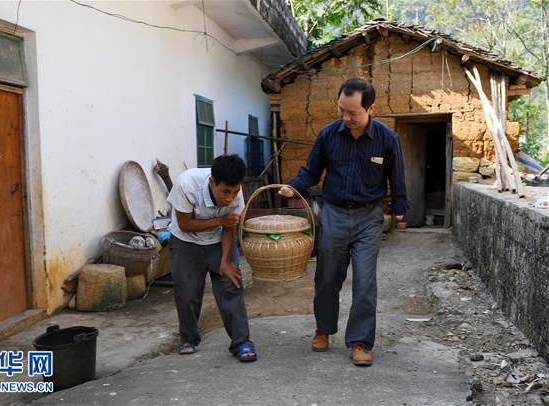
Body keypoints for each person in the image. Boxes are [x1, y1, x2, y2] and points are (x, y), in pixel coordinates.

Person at [279, 78, 408, 366]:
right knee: (326, 278)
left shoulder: (387, 139)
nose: (346, 118)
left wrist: (400, 208)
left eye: (353, 113)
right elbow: (311, 171)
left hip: (368, 218)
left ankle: (360, 341)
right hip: (333, 215)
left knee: (364, 282)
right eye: (341, 111)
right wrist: (294, 187)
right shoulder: (328, 135)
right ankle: (323, 329)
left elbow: (397, 177)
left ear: (370, 108)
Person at [167, 154, 257, 362]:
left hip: (219, 241)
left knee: (231, 286)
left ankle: (241, 342)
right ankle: (188, 338)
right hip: (186, 242)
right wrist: (220, 220)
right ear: (211, 182)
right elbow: (185, 224)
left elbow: (229, 226)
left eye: (234, 192)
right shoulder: (187, 184)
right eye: (225, 192)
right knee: (187, 292)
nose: (229, 198)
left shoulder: (236, 192)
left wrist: (225, 261)